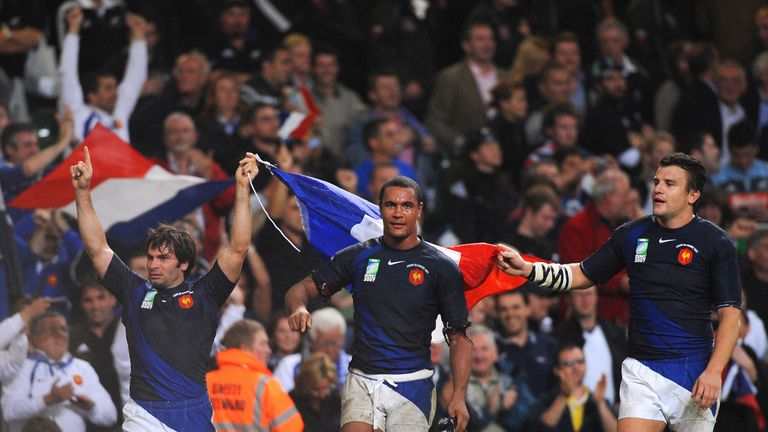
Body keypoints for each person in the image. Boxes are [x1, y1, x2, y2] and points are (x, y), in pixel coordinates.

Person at [497, 152, 742, 431]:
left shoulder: (717, 243)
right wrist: (529, 268)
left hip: (694, 372)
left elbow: (731, 317)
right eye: (656, 181)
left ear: (693, 195)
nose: (658, 189)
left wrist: (713, 372)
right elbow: (580, 274)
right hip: (642, 371)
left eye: (670, 184)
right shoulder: (631, 235)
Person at [70, 146, 256, 431]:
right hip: (145, 414)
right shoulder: (134, 290)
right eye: (151, 257)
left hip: (194, 412)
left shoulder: (206, 293)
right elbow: (97, 248)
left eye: (163, 258)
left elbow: (238, 248)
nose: (153, 264)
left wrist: (242, 189)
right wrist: (83, 192)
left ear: (184, 265)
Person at [284, 176, 473, 432]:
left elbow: (459, 337)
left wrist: (459, 396)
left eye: (406, 206)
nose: (398, 213)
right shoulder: (358, 256)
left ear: (419, 210)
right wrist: (298, 307)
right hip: (361, 379)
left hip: (412, 385)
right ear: (381, 207)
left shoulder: (441, 268)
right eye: (390, 205)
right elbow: (302, 288)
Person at [1, 311, 117, 432]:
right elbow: (8, 411)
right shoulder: (20, 367)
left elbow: (111, 416)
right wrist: (48, 399)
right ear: (36, 337)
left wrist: (91, 408)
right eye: (53, 330)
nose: (61, 335)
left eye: (64, 329)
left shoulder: (82, 367)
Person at [60, 7, 148, 143]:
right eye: (108, 89)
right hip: (87, 163)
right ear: (92, 96)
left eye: (114, 87)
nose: (115, 93)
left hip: (121, 164)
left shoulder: (119, 113)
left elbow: (136, 78)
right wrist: (73, 30)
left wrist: (138, 36)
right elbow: (68, 74)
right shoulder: (78, 112)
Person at [206, 319, 303, 431]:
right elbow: (292, 427)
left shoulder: (205, 383)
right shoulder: (265, 386)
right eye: (263, 344)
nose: (268, 350)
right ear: (244, 348)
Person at [531, 343, 618, 432]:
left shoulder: (597, 400)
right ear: (557, 370)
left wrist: (600, 404)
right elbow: (540, 428)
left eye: (580, 362)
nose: (576, 367)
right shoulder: (545, 401)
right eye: (569, 363)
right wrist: (563, 396)